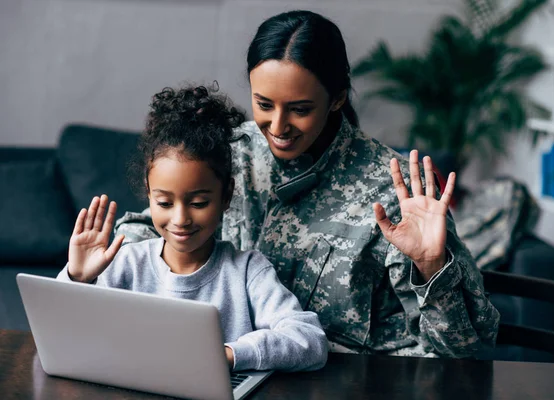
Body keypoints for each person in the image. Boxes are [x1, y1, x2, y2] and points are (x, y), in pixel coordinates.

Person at [116, 10, 500, 358]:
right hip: (242, 369)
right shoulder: (234, 150)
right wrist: (110, 263)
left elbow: (471, 353)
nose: (278, 127)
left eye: (299, 109)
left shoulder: (395, 189)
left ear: (336, 99)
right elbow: (158, 225)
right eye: (264, 104)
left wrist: (432, 267)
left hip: (358, 381)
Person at [57, 84, 329, 372]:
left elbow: (309, 340)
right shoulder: (126, 264)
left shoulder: (248, 271)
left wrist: (226, 355)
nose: (180, 219)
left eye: (198, 203)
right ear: (149, 195)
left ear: (225, 196)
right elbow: (61, 336)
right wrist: (77, 278)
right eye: (164, 202)